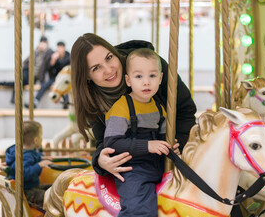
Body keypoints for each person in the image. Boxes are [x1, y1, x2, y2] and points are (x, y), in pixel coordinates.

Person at [70, 33, 196, 182]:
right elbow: (104, 141)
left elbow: (185, 110)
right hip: (137, 167)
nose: (109, 70)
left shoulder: (148, 66)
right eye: (96, 68)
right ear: (87, 76)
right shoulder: (93, 99)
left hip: (171, 154)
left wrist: (179, 144)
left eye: (109, 57)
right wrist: (100, 160)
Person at [104, 48, 170, 216]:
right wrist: (148, 145)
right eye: (139, 76)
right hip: (132, 170)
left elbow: (162, 139)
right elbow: (112, 143)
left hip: (157, 166)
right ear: (128, 80)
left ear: (160, 78)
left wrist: (170, 148)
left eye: (152, 76)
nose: (146, 82)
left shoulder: (159, 108)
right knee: (140, 210)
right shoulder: (122, 107)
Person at [5, 120, 53, 209]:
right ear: (35, 140)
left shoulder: (24, 151)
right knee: (52, 196)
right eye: (41, 136)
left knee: (54, 188)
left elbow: (33, 156)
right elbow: (24, 173)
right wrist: (39, 165)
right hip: (25, 192)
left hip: (32, 186)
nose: (42, 138)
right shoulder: (25, 155)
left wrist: (41, 158)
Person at [0, 36, 53, 104]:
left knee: (19, 82)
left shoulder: (49, 53)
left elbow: (48, 66)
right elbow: (25, 62)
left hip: (36, 76)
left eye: (43, 43)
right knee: (20, 81)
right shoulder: (36, 52)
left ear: (46, 44)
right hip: (28, 73)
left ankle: (2, 83)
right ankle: (7, 89)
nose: (42, 45)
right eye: (41, 43)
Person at [24, 41, 70, 108]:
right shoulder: (53, 56)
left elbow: (69, 69)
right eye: (58, 48)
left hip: (64, 78)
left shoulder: (68, 57)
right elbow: (49, 69)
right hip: (54, 78)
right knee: (43, 86)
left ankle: (66, 103)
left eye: (60, 48)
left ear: (63, 48)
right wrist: (53, 60)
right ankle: (35, 102)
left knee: (66, 86)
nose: (59, 50)